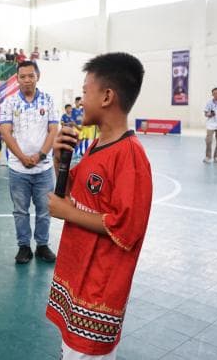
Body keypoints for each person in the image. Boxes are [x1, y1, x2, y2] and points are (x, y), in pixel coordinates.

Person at [46, 52, 151, 360]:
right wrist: (58, 159)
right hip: (78, 279)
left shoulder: (130, 156)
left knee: (85, 353)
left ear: (107, 96)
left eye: (85, 92)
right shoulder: (97, 145)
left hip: (98, 289)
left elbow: (126, 227)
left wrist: (67, 213)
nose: (81, 101)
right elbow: (71, 193)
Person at [0, 60, 59, 264]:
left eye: (30, 76)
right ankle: (23, 246)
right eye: (22, 76)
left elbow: (53, 130)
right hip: (18, 169)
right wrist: (22, 157)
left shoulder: (48, 100)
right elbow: (5, 132)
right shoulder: (9, 102)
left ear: (37, 76)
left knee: (44, 210)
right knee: (20, 211)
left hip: (44, 168)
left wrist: (41, 155)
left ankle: (42, 245)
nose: (26, 80)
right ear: (17, 79)